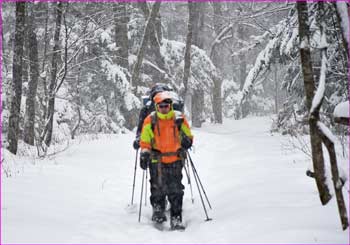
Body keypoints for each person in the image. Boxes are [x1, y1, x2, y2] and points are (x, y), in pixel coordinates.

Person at [139, 91, 193, 230]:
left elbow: (188, 135)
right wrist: (144, 153)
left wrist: (187, 141)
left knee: (176, 190)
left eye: (166, 105)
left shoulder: (179, 118)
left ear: (170, 105)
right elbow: (145, 140)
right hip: (157, 160)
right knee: (157, 187)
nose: (164, 108)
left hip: (175, 159)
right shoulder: (150, 120)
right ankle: (158, 210)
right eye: (161, 106)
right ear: (157, 106)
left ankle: (176, 218)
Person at [132, 83, 174, 150]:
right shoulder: (174, 110)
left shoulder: (146, 109)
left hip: (153, 150)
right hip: (171, 151)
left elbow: (140, 129)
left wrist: (138, 139)